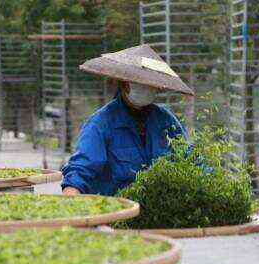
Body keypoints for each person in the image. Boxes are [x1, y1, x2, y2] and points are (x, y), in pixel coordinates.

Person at [61, 45, 194, 196]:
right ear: (125, 84)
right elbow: (82, 168)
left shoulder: (166, 121)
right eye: (142, 84)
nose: (148, 89)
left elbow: (189, 159)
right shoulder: (101, 124)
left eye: (151, 86)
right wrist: (71, 195)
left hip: (160, 208)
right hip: (118, 210)